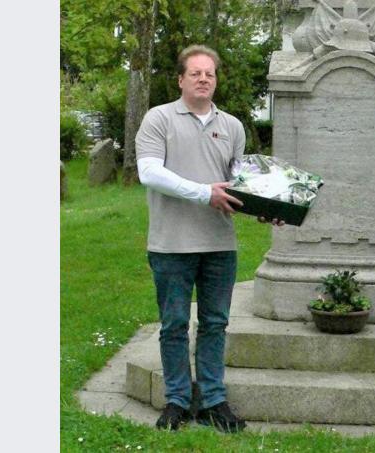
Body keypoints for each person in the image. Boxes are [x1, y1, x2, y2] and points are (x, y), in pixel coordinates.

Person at [136, 44, 281, 432]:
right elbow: (149, 172)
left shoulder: (232, 126)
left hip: (219, 245)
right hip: (171, 244)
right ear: (180, 79)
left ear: (216, 80)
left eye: (209, 74)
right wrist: (204, 193)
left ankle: (214, 401)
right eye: (195, 73)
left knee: (215, 323)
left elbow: (238, 184)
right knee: (174, 325)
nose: (203, 79)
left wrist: (268, 207)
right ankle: (178, 400)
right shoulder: (158, 119)